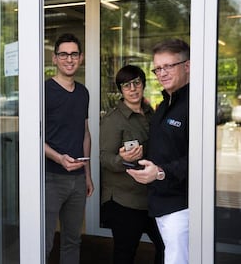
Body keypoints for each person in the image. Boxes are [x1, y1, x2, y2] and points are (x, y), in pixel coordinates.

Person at [126, 39, 190, 264]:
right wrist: (137, 157)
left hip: (182, 207)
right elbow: (165, 148)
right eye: (157, 68)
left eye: (168, 66)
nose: (161, 73)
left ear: (187, 66)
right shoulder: (164, 105)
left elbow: (201, 159)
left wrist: (161, 172)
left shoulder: (196, 104)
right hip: (160, 203)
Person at [99, 65, 164, 264]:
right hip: (124, 200)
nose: (133, 89)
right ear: (121, 90)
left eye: (136, 83)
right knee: (125, 254)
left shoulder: (152, 114)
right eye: (126, 85)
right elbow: (103, 157)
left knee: (166, 246)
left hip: (151, 197)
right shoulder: (113, 120)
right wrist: (123, 159)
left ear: (143, 84)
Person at [45, 33, 94, 264]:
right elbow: (31, 137)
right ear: (54, 59)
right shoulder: (43, 91)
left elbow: (85, 133)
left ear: (81, 58)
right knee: (43, 242)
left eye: (74, 54)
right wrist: (58, 158)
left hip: (76, 180)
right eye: (63, 54)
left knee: (73, 240)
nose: (69, 59)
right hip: (50, 179)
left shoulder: (83, 93)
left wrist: (87, 175)